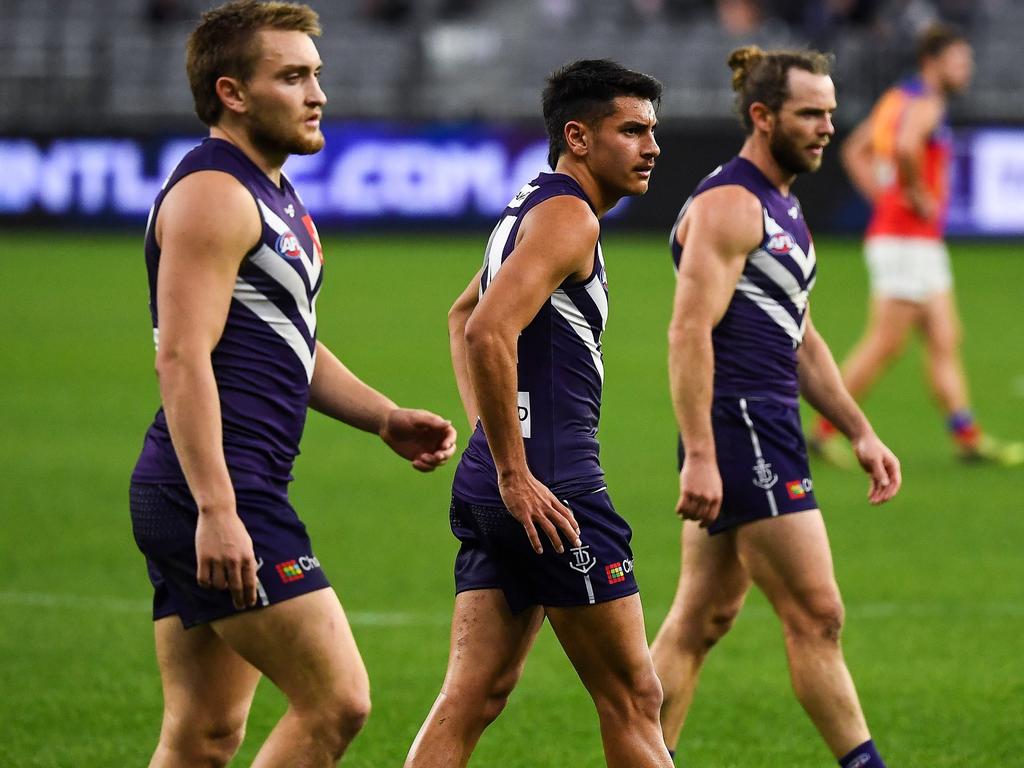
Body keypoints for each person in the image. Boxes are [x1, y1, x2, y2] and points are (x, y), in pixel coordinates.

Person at [128, 3, 457, 766]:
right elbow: (181, 357)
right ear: (233, 92)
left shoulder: (270, 192)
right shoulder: (214, 192)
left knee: (205, 734)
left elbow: (290, 340)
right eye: (294, 76)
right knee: (337, 701)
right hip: (212, 488)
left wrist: (382, 417)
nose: (319, 94)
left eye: (317, 75)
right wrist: (217, 508)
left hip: (219, 484)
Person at [404, 60, 672, 768]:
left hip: (507, 481)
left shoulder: (532, 205)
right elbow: (485, 330)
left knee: (473, 696)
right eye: (633, 130)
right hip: (554, 490)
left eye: (653, 131)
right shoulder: (567, 217)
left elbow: (463, 310)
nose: (651, 148)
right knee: (633, 699)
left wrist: (497, 442)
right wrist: (516, 468)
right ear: (578, 137)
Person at [649, 47, 901, 768]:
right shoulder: (731, 204)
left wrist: (859, 429)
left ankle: (644, 757)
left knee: (703, 618)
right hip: (744, 425)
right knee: (817, 615)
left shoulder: (782, 206)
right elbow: (688, 329)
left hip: (758, 423)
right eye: (809, 114)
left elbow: (802, 339)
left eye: (829, 112)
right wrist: (700, 451)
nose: (827, 126)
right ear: (762, 116)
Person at [810, 23, 1023, 466]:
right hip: (908, 241)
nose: (967, 69)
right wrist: (915, 194)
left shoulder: (896, 98)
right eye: (959, 61)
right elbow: (907, 148)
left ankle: (968, 439)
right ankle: (822, 430)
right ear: (933, 62)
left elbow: (854, 150)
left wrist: (884, 197)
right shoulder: (925, 103)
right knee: (885, 344)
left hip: (912, 240)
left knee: (945, 337)